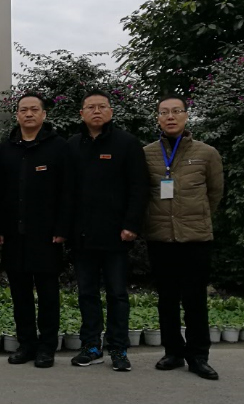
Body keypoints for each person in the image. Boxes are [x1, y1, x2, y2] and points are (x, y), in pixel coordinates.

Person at [144, 95, 223, 381]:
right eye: (164, 112)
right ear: (158, 118)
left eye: (176, 111)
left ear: (186, 116)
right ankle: (173, 352)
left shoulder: (206, 153)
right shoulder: (147, 153)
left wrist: (194, 217)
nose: (170, 116)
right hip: (160, 237)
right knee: (167, 299)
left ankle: (199, 356)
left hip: (195, 238)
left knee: (195, 300)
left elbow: (215, 193)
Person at [67, 90, 147, 372]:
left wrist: (131, 224)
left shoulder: (127, 143)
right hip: (82, 235)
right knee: (87, 294)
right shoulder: (72, 145)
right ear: (82, 113)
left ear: (111, 112)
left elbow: (139, 187)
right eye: (91, 107)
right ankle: (91, 346)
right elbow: (66, 191)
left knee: (117, 294)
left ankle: (118, 348)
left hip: (116, 234)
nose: (97, 111)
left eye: (102, 106)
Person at [0, 92, 72, 369]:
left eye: (34, 109)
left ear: (43, 114)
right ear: (17, 115)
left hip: (47, 235)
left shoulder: (59, 147)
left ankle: (47, 347)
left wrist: (62, 227)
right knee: (20, 295)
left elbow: (67, 191)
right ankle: (26, 344)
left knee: (48, 295)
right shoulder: (5, 150)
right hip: (14, 235)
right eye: (23, 110)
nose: (28, 114)